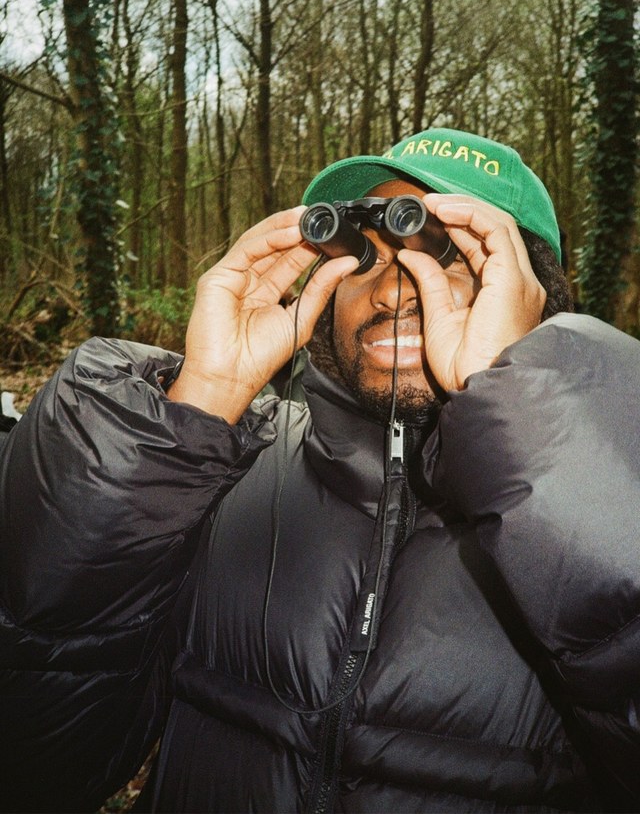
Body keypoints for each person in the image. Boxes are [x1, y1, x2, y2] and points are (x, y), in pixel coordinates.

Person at [1, 127, 640, 814]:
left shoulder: (604, 503)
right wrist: (197, 404)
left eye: (442, 251)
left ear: (535, 294)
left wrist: (520, 410)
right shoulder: (216, 471)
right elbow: (34, 762)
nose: (395, 290)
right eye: (363, 254)